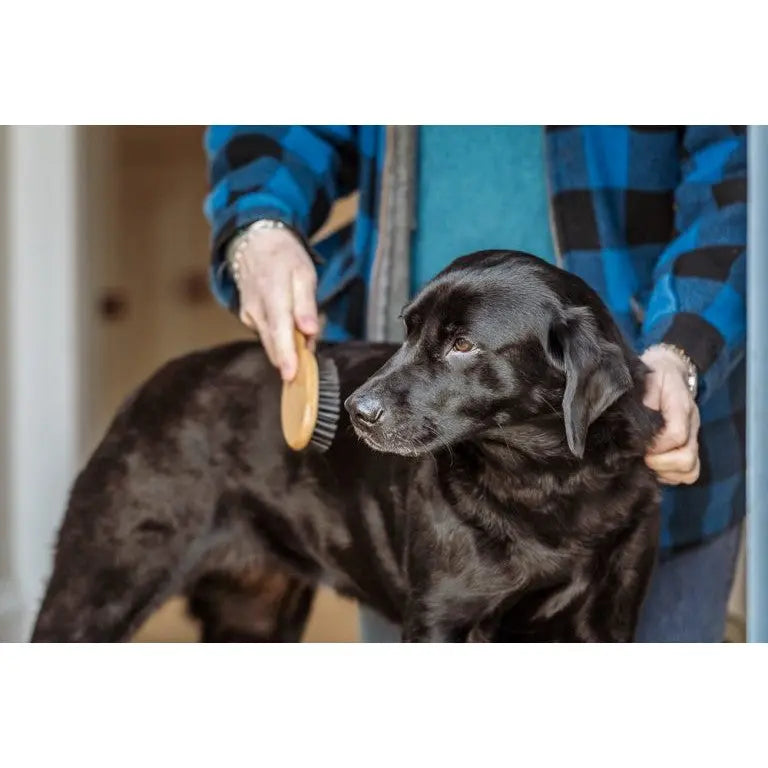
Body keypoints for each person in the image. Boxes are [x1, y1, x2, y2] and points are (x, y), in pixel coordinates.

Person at [203, 125, 746, 642]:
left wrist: (683, 347)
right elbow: (280, 125)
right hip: (433, 470)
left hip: (655, 414)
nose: (361, 403)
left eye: (459, 344)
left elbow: (741, 180)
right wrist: (258, 227)